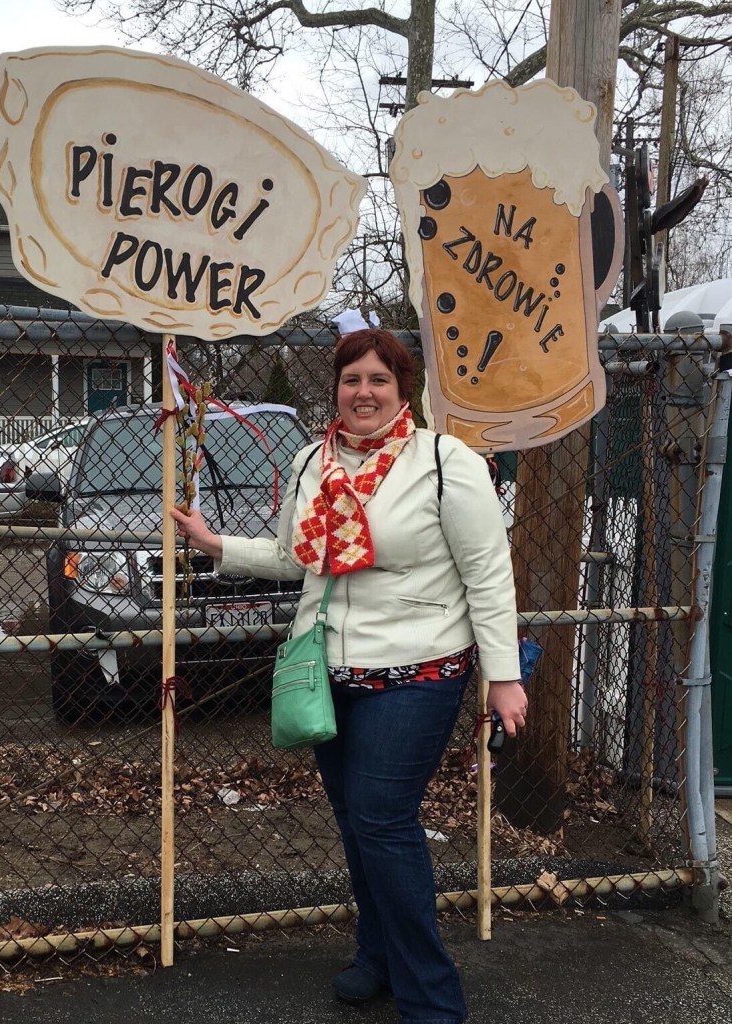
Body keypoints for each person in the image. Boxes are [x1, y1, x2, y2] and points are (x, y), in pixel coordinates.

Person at [171, 327, 526, 1024]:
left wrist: (504, 675)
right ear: (335, 389)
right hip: (328, 668)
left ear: (402, 389)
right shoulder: (312, 460)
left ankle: (432, 1000)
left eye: (378, 380)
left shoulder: (445, 462)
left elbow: (488, 574)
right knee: (355, 821)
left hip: (419, 666)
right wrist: (218, 546)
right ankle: (378, 955)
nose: (364, 392)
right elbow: (294, 555)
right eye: (351, 379)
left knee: (382, 819)